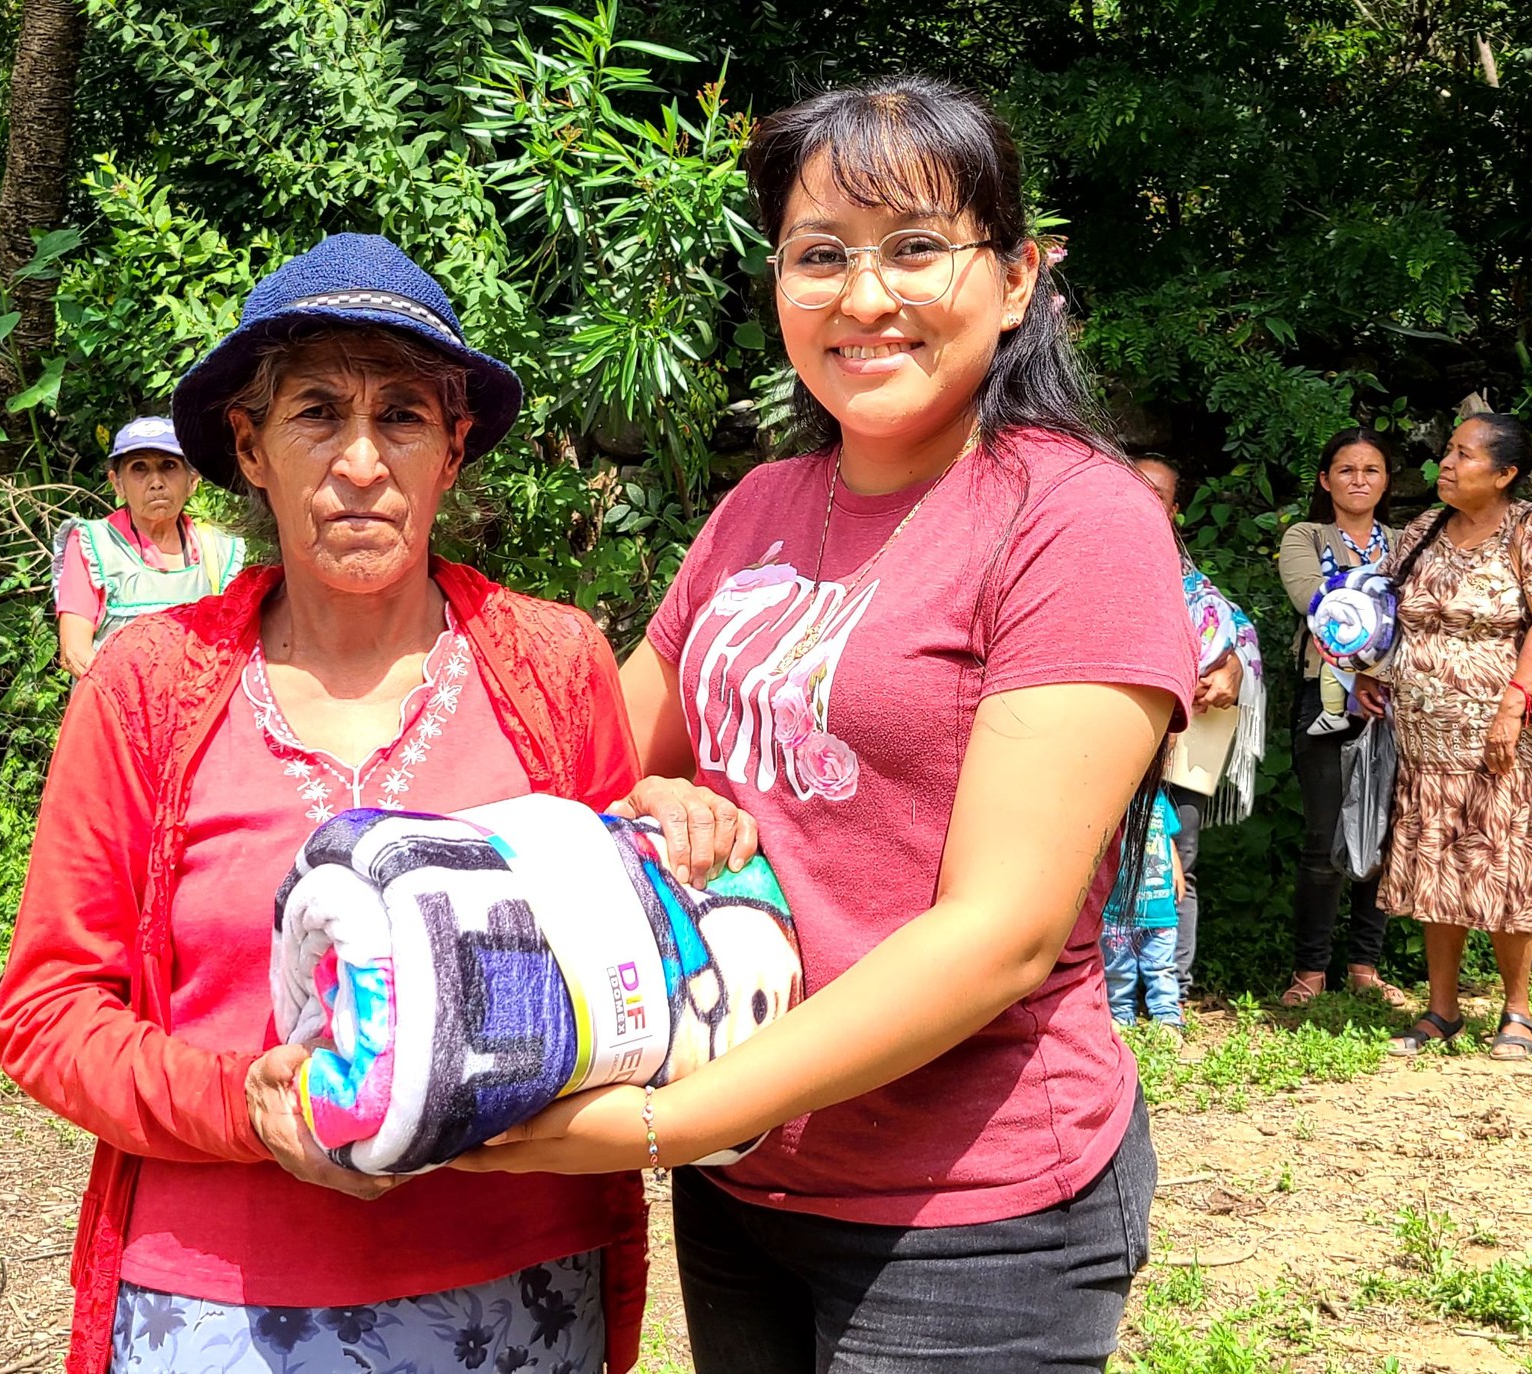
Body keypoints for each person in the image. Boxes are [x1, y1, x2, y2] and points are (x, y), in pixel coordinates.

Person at [453, 78, 1192, 1371]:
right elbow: (595, 766)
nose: (863, 296)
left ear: (1016, 276)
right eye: (818, 255)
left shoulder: (1075, 521)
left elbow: (999, 934)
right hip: (745, 1180)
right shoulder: (758, 507)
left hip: (969, 1210)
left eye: (915, 247)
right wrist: (639, 807)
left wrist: (661, 1123)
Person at [0, 234, 695, 1374]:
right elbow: (49, 1009)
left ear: (453, 451)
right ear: (250, 449)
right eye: (317, 413)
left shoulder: (555, 666)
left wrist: (685, 847)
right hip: (213, 1305)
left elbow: (636, 967)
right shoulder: (146, 686)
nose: (361, 461)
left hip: (517, 1295)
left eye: (404, 418)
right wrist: (248, 1108)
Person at [1363, 413, 1532, 1062]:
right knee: (1437, 866)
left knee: (1504, 866)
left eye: (1463, 455)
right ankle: (1441, 1009)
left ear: (1505, 473)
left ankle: (1517, 1011)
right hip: (1425, 734)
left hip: (1503, 736)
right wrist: (1371, 674)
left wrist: (1513, 704)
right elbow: (1385, 611)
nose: (1446, 465)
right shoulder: (1421, 532)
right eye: (1446, 453)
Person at [1274, 428, 1410, 1008]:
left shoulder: (1409, 542)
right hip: (1326, 698)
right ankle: (1310, 971)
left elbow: (1428, 608)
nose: (1360, 480)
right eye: (1347, 470)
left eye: (1372, 470)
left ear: (1386, 481)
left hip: (1398, 700)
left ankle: (1365, 966)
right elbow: (1315, 599)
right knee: (1323, 838)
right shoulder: (1306, 535)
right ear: (1326, 480)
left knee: (1384, 832)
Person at [1130, 454, 1242, 995]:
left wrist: (1233, 667)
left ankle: (1173, 986)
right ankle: (1099, 988)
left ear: (1175, 511)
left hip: (1181, 738)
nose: (1142, 500)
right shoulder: (1081, 565)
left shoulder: (1199, 591)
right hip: (1108, 738)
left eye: (1157, 494)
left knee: (1179, 860)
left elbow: (1236, 640)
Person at [52, 415, 248, 677]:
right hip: (118, 707)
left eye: (168, 466)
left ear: (192, 481)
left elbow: (236, 648)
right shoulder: (93, 543)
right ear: (117, 484)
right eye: (139, 468)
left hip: (197, 709)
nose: (156, 481)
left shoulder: (221, 549)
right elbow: (75, 653)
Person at [1101, 792, 1184, 1029]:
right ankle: (1120, 1015)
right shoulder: (1112, 795)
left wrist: (1177, 869)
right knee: (1118, 969)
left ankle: (1168, 1018)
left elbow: (1167, 838)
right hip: (1119, 910)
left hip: (1159, 909)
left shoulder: (1159, 800)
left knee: (1161, 969)